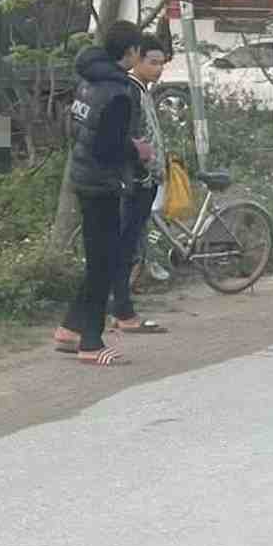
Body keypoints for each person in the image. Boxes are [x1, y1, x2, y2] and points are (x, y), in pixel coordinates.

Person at [54, 21, 147, 366]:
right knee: (103, 266)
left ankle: (70, 328)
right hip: (101, 183)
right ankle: (91, 343)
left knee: (99, 262)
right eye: (139, 51)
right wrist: (138, 151)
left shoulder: (88, 80)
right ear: (132, 52)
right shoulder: (120, 92)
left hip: (82, 175)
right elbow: (110, 148)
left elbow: (79, 129)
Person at [109, 35, 170, 336]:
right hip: (137, 181)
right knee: (126, 247)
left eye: (162, 63)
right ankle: (121, 310)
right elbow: (135, 138)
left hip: (143, 179)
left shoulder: (140, 90)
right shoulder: (131, 92)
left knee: (129, 245)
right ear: (137, 59)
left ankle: (120, 307)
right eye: (152, 62)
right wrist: (145, 168)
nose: (158, 69)